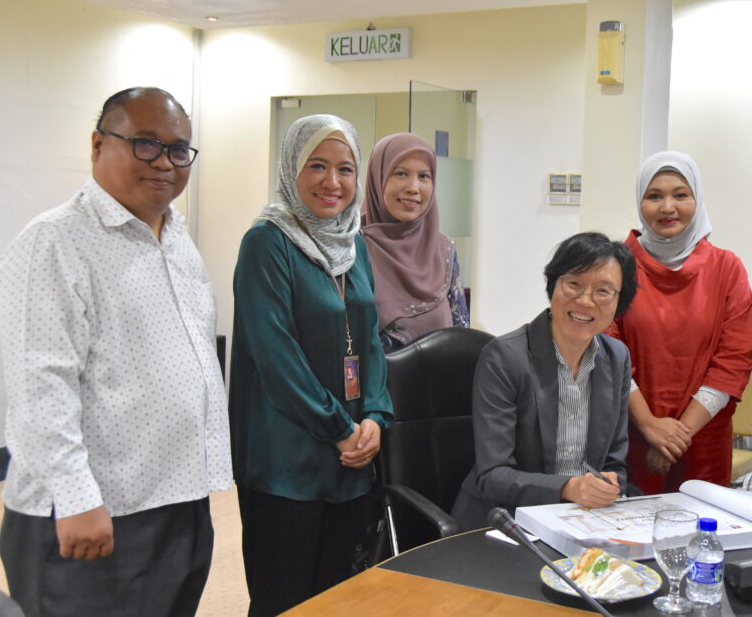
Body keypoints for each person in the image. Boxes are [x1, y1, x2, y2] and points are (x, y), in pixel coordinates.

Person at [0, 87, 231, 616]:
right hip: (89, 512)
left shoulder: (175, 239)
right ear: (98, 144)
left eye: (178, 150)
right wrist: (75, 496)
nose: (164, 162)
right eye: (146, 144)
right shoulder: (54, 241)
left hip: (176, 501)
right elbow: (41, 387)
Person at [229, 114, 393, 616]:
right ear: (290, 168)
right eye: (316, 165)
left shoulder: (353, 242)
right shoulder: (267, 241)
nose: (332, 182)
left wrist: (375, 415)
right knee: (285, 598)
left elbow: (369, 339)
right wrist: (339, 427)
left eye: (345, 169)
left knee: (343, 597)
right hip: (287, 460)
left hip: (352, 453)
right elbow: (275, 355)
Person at [452, 232, 637, 529]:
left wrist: (608, 486)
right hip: (503, 520)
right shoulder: (505, 357)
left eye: (603, 291)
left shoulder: (617, 358)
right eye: (574, 284)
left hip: (582, 520)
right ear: (553, 286)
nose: (586, 301)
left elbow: (614, 462)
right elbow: (493, 475)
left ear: (619, 301)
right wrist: (569, 488)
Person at [608, 151, 752, 494]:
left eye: (680, 195)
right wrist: (649, 425)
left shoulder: (726, 268)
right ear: (640, 201)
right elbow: (606, 351)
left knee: (702, 524)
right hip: (630, 438)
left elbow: (733, 361)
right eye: (654, 196)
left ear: (697, 199)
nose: (667, 207)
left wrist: (676, 438)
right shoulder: (616, 266)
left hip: (703, 444)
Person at [361, 132, 469, 352]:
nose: (413, 187)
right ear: (378, 178)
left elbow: (462, 335)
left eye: (424, 176)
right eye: (400, 174)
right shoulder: (353, 251)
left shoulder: (444, 250)